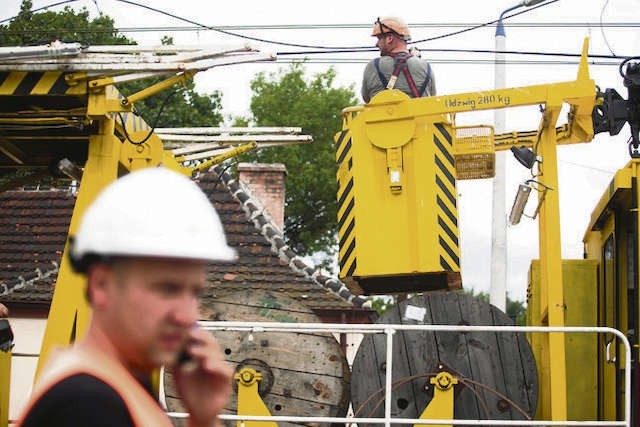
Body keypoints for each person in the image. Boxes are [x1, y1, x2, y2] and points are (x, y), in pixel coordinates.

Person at [18, 167, 236, 427]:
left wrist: (203, 419)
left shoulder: (116, 387)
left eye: (195, 293)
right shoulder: (86, 407)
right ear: (100, 284)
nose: (188, 316)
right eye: (168, 289)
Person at [361, 17, 436, 103]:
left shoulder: (373, 66)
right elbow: (432, 96)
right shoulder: (426, 66)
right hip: (421, 116)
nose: (376, 44)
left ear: (390, 38)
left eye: (379, 39)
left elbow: (366, 98)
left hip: (383, 116)